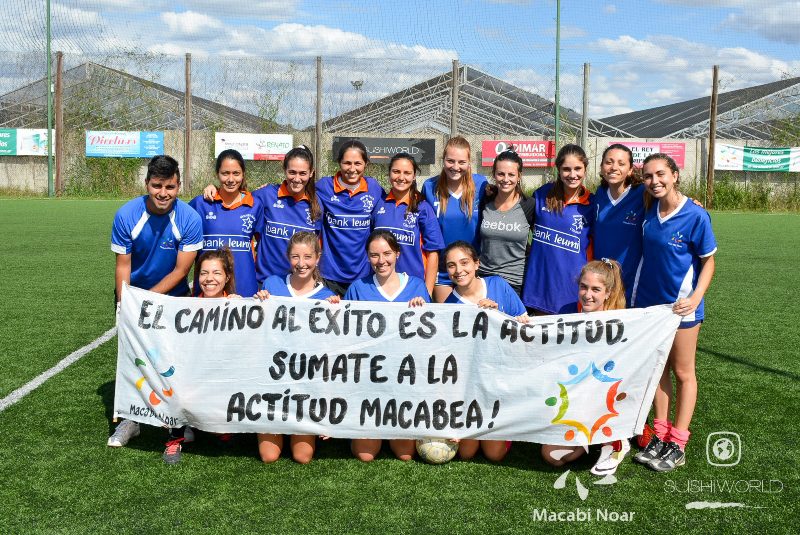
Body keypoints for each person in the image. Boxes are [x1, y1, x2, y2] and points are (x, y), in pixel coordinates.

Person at [109, 154, 203, 449]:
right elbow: (123, 265)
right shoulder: (126, 215)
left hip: (173, 298)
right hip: (134, 296)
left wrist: (147, 300)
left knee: (175, 360)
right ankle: (129, 420)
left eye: (170, 186)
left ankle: (178, 419)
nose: (163, 193)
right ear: (147, 183)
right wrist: (125, 304)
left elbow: (181, 270)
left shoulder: (189, 218)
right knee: (132, 358)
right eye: (157, 185)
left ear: (179, 186)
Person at [631, 153, 717, 473]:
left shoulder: (696, 215)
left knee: (684, 372)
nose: (655, 181)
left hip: (682, 308)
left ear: (675, 175)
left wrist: (695, 298)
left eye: (661, 174)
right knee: (658, 371)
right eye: (649, 176)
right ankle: (661, 434)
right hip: (652, 307)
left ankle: (678, 444)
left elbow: (708, 262)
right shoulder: (649, 210)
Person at [344, 230, 430, 462]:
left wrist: (423, 309)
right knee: (366, 455)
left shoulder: (416, 286)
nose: (381, 261)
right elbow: (344, 334)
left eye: (387, 254)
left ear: (398, 254)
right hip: (370, 379)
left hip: (404, 379)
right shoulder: (358, 288)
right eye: (374, 255)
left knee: (405, 454)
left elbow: (432, 337)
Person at [254, 232, 339, 464]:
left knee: (303, 457)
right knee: (269, 456)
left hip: (306, 378)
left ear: (318, 258)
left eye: (308, 257)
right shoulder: (271, 285)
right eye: (295, 257)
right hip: (274, 374)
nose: (301, 264)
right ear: (287, 257)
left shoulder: (327, 296)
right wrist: (258, 301)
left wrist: (336, 312)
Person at [541, 259, 631, 474]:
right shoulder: (567, 311)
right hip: (573, 399)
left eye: (596, 289)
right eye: (584, 287)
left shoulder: (620, 322)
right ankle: (592, 440)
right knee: (552, 456)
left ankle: (616, 440)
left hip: (602, 400)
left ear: (608, 293)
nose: (588, 294)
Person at [442, 241, 528, 462]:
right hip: (470, 385)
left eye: (464, 263)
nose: (458, 270)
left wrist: (498, 314)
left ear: (476, 263)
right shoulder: (449, 305)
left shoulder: (498, 285)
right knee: (466, 454)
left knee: (494, 454)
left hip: (501, 378)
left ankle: (504, 426)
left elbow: (524, 326)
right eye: (451, 265)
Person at [161, 248, 241, 464]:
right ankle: (175, 437)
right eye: (204, 273)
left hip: (224, 380)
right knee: (172, 383)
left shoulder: (239, 306)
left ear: (227, 278)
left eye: (216, 273)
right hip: (194, 379)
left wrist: (248, 304)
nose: (209, 279)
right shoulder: (186, 307)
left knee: (225, 432)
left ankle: (216, 427)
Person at [204, 145, 321, 288]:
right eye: (292, 172)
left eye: (302, 173)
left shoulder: (317, 204)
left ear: (311, 173)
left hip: (300, 284)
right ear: (284, 170)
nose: (296, 178)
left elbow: (317, 246)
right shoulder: (266, 195)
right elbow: (235, 198)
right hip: (265, 283)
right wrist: (215, 189)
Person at [521, 144, 595, 314]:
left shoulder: (592, 204)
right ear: (558, 170)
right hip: (540, 287)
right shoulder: (541, 195)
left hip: (572, 289)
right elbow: (519, 224)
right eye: (566, 169)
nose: (572, 174)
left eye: (578, 168)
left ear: (585, 169)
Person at [422, 136, 488, 302]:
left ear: (469, 162)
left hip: (470, 270)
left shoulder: (481, 185)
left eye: (461, 162)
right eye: (450, 161)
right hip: (442, 271)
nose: (456, 167)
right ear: (442, 160)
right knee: (448, 318)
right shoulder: (429, 187)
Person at [316, 140, 384, 295]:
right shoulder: (324, 186)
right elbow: (299, 189)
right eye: (347, 163)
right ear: (339, 163)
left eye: (357, 163)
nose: (352, 169)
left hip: (363, 275)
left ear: (366, 164)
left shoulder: (374, 188)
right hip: (330, 275)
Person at [191, 149, 263, 296]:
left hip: (245, 287)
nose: (231, 179)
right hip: (208, 287)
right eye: (225, 173)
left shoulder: (255, 205)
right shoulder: (201, 203)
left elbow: (264, 246)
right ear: (217, 174)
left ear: (243, 174)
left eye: (236, 173)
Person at [372, 152, 444, 295]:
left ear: (414, 176)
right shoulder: (378, 204)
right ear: (389, 173)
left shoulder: (423, 208)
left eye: (407, 173)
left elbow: (433, 254)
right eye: (396, 172)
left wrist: (427, 292)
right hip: (379, 286)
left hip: (412, 289)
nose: (401, 177)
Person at [477, 149, 536, 295]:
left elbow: (539, 242)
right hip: (484, 280)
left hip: (515, 282)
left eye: (511, 174)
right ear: (494, 175)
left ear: (519, 176)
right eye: (501, 174)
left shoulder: (529, 205)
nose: (505, 179)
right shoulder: (485, 200)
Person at [593, 144, 644, 304]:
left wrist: (691, 202)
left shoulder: (642, 193)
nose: (614, 167)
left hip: (631, 278)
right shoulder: (599, 194)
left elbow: (668, 199)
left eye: (621, 163)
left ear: (630, 170)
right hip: (601, 279)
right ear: (601, 167)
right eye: (609, 162)